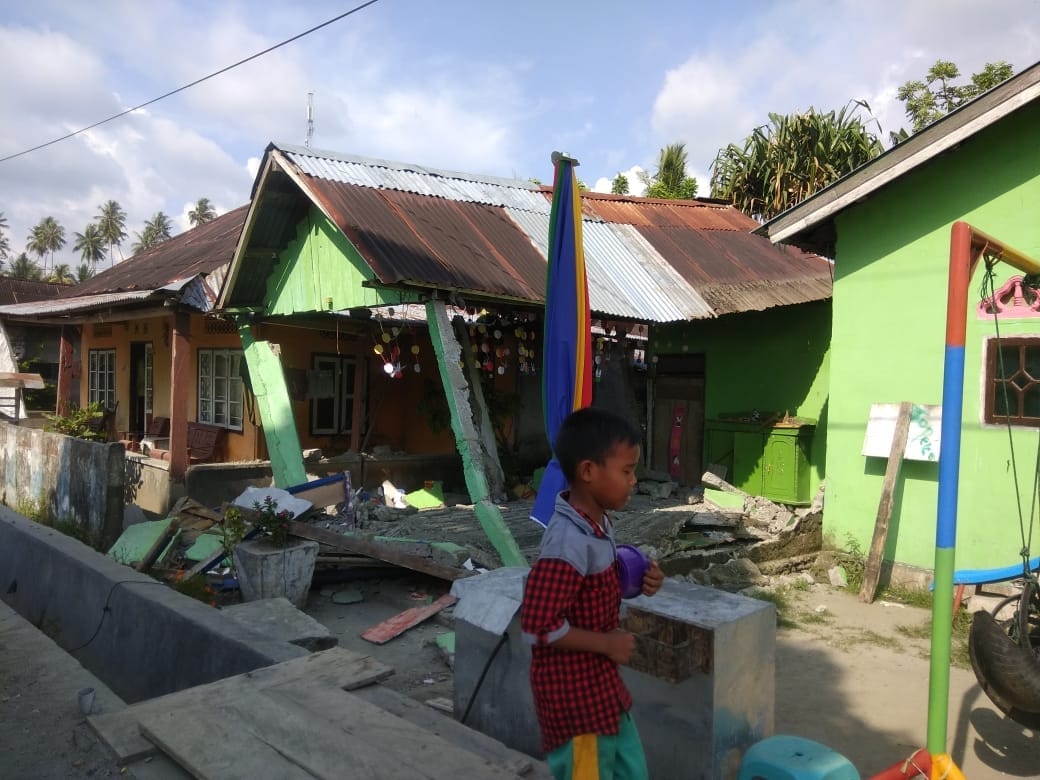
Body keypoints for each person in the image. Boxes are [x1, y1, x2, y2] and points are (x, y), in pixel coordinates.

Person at [520, 406, 664, 780]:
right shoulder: (566, 543)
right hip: (575, 701)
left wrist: (641, 580)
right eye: (627, 471)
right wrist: (607, 645)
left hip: (602, 691)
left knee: (630, 769)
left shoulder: (596, 525)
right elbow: (537, 627)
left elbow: (601, 581)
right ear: (588, 472)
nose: (634, 481)